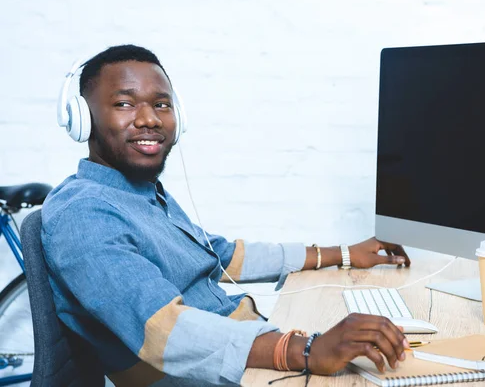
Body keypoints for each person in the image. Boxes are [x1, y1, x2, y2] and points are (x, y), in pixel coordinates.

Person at [41, 44, 412, 386]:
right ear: (81, 118)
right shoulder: (84, 213)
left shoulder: (138, 193)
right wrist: (305, 350)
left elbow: (219, 254)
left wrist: (343, 254)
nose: (149, 119)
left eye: (161, 104)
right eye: (124, 104)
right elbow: (163, 331)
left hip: (247, 350)